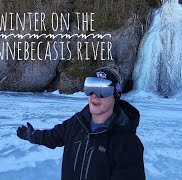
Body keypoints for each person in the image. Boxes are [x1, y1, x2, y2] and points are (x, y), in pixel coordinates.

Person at [17, 66, 145, 180]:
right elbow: (52, 137)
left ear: (115, 95)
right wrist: (32, 135)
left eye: (103, 90)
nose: (94, 95)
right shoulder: (76, 123)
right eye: (91, 87)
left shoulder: (127, 143)